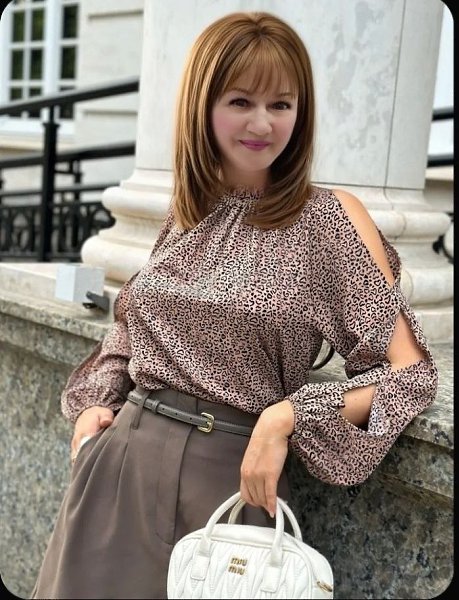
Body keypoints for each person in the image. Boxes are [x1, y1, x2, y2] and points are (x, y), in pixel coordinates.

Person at [32, 11, 438, 600]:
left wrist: (287, 417)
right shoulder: (189, 208)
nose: (262, 123)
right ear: (203, 106)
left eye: (281, 104)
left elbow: (410, 373)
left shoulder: (329, 220)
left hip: (230, 483)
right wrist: (97, 403)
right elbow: (135, 322)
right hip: (119, 467)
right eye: (241, 101)